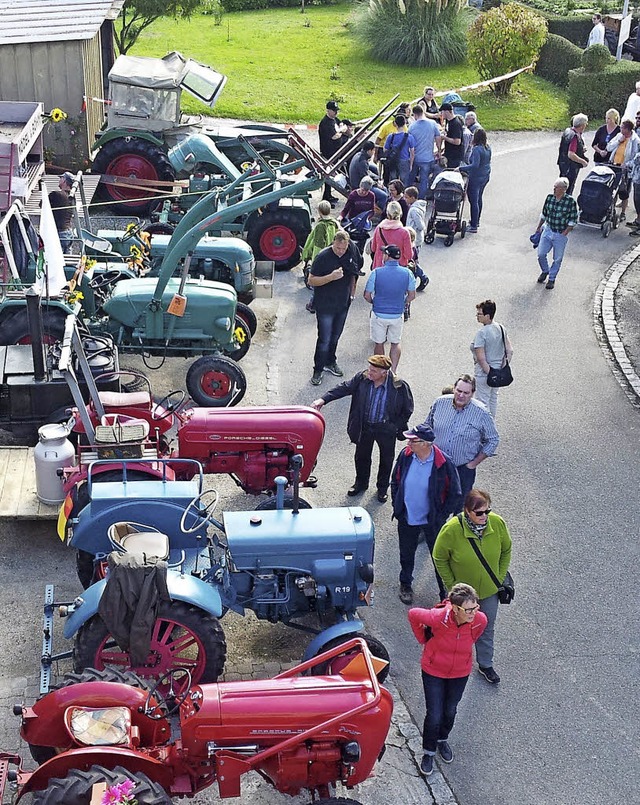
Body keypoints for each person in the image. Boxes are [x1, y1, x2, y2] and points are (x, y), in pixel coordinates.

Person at [433, 489, 512, 685]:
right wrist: (453, 587)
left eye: (487, 511)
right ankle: (454, 665)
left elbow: (506, 550)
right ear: (467, 511)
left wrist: (498, 578)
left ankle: (485, 664)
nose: (485, 516)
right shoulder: (451, 530)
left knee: (487, 627)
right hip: (463, 596)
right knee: (458, 630)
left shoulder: (497, 523)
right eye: (479, 513)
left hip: (489, 592)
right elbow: (439, 557)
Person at [408, 583, 487, 775]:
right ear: (455, 608)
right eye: (468, 609)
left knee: (450, 711)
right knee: (434, 714)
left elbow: (474, 637)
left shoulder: (480, 620)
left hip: (460, 673)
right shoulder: (438, 617)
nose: (473, 612)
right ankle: (428, 751)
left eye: (475, 607)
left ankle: (442, 740)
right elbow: (413, 614)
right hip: (433, 670)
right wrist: (423, 639)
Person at [311, 355, 414, 502]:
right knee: (361, 457)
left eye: (373, 371)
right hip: (365, 426)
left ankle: (382, 488)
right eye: (369, 369)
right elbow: (344, 388)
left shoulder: (399, 386)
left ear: (384, 372)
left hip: (385, 428)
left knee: (386, 459)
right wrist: (323, 399)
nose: (369, 373)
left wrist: (395, 426)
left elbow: (408, 408)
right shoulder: (362, 378)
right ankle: (361, 483)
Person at [391, 424, 462, 605]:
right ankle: (405, 584)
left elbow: (455, 493)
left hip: (433, 522)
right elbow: (396, 480)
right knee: (406, 554)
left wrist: (441, 516)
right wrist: (397, 504)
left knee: (439, 558)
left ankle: (445, 594)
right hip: (407, 517)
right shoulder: (406, 456)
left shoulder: (444, 463)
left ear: (426, 444)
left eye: (413, 440)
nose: (408, 442)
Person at [423, 374, 500, 500]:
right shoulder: (440, 403)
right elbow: (427, 426)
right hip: (437, 465)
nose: (461, 395)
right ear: (454, 389)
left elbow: (493, 439)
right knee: (434, 502)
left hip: (463, 469)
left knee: (460, 507)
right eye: (459, 391)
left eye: (466, 392)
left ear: (473, 393)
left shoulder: (481, 413)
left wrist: (473, 464)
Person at [308, 230, 363, 386]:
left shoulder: (350, 251)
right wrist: (330, 277)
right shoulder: (323, 257)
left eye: (343, 248)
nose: (340, 251)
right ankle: (318, 369)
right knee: (324, 339)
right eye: (338, 248)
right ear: (333, 243)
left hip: (343, 304)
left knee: (335, 337)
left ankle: (330, 361)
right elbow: (311, 280)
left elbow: (354, 273)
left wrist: (352, 293)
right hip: (325, 305)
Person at [364, 243, 416, 373]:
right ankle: (393, 372)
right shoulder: (407, 273)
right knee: (395, 343)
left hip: (379, 313)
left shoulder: (376, 273)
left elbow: (367, 295)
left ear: (387, 256)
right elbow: (412, 295)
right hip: (397, 314)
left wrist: (374, 302)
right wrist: (402, 303)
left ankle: (381, 370)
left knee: (379, 343)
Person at [533, 177, 578, 290]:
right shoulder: (549, 198)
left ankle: (552, 278)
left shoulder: (570, 202)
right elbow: (544, 214)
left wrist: (565, 232)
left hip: (560, 234)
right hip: (548, 229)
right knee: (541, 254)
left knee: (557, 258)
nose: (554, 189)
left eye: (556, 187)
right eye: (554, 187)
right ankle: (545, 270)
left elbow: (573, 219)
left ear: (563, 189)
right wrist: (538, 227)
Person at [471, 299, 513, 419]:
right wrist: (502, 367)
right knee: (493, 398)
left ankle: (483, 428)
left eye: (479, 314)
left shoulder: (482, 333)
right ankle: (491, 424)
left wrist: (490, 372)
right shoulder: (500, 328)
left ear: (487, 316)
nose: (477, 316)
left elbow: (481, 358)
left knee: (482, 401)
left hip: (484, 373)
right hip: (498, 371)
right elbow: (510, 350)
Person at [301, 200, 339, 314]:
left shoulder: (320, 226)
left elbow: (318, 244)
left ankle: (313, 305)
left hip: (322, 257)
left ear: (319, 211)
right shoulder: (334, 223)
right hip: (333, 254)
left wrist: (313, 260)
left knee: (317, 284)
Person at [606, 118, 640, 221]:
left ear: (627, 129)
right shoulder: (619, 136)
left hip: (625, 169)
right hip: (614, 165)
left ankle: (623, 212)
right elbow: (609, 148)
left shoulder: (635, 140)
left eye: (622, 127)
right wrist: (618, 141)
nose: (620, 129)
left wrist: (627, 165)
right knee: (612, 189)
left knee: (624, 190)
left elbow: (635, 157)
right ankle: (611, 209)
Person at [458, 128, 491, 233]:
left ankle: (473, 225)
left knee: (473, 201)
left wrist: (461, 168)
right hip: (485, 176)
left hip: (476, 177)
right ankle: (476, 221)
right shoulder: (488, 147)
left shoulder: (477, 149)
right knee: (479, 198)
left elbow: (474, 165)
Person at [408, 104, 441, 199]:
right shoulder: (432, 124)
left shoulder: (412, 126)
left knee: (411, 179)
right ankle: (422, 199)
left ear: (414, 114)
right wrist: (438, 151)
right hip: (427, 158)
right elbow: (438, 137)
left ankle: (409, 197)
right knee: (424, 180)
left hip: (415, 158)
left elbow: (409, 143)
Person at [369, 200, 412, 269]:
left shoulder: (379, 228)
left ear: (387, 213)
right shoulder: (404, 232)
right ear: (400, 213)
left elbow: (373, 248)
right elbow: (408, 255)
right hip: (399, 268)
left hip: (380, 266)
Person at [319, 100, 346, 205]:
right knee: (328, 174)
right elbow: (334, 136)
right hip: (328, 153)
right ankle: (326, 196)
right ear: (328, 110)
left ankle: (328, 194)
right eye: (334, 111)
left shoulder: (334, 120)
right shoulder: (325, 123)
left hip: (335, 152)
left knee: (331, 173)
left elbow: (341, 123)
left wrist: (342, 127)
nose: (336, 113)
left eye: (336, 111)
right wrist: (341, 131)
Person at [557, 113, 589, 195]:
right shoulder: (574, 136)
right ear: (582, 125)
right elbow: (571, 154)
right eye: (585, 124)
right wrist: (583, 161)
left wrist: (581, 149)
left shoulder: (568, 131)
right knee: (568, 188)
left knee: (561, 186)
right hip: (571, 167)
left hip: (563, 164)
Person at [405, 187, 429, 292]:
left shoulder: (414, 210)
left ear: (412, 197)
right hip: (415, 238)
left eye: (406, 197)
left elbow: (420, 225)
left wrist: (411, 231)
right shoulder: (417, 207)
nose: (405, 199)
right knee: (413, 261)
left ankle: (423, 278)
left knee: (412, 262)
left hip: (415, 239)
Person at [383, 115, 415, 187]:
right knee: (404, 181)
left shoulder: (391, 136)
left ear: (395, 124)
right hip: (404, 160)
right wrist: (411, 164)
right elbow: (412, 152)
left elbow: (385, 149)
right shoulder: (409, 137)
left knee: (393, 181)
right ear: (405, 123)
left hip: (393, 160)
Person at [48, 171, 75, 251]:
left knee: (57, 260)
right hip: (69, 233)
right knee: (67, 260)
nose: (59, 180)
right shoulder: (72, 198)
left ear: (64, 180)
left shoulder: (56, 195)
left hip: (60, 234)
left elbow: (42, 204)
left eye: (61, 178)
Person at [439, 103, 464, 169]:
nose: (441, 114)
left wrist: (444, 137)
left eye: (442, 112)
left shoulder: (456, 123)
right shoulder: (448, 121)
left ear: (447, 112)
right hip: (449, 152)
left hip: (455, 155)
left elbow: (457, 141)